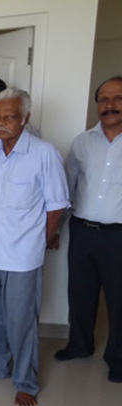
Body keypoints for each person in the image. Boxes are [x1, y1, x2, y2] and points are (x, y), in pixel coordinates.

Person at [0, 89, 69, 406]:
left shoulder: (44, 153)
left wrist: (43, 240)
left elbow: (56, 206)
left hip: (23, 256)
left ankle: (26, 381)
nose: (0, 122)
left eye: (9, 116)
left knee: (21, 321)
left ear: (25, 118)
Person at [55, 76, 122, 383]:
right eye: (104, 100)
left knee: (118, 299)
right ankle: (80, 344)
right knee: (80, 294)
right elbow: (68, 187)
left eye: (118, 98)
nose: (110, 105)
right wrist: (57, 226)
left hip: (118, 237)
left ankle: (118, 359)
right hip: (82, 231)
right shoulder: (82, 142)